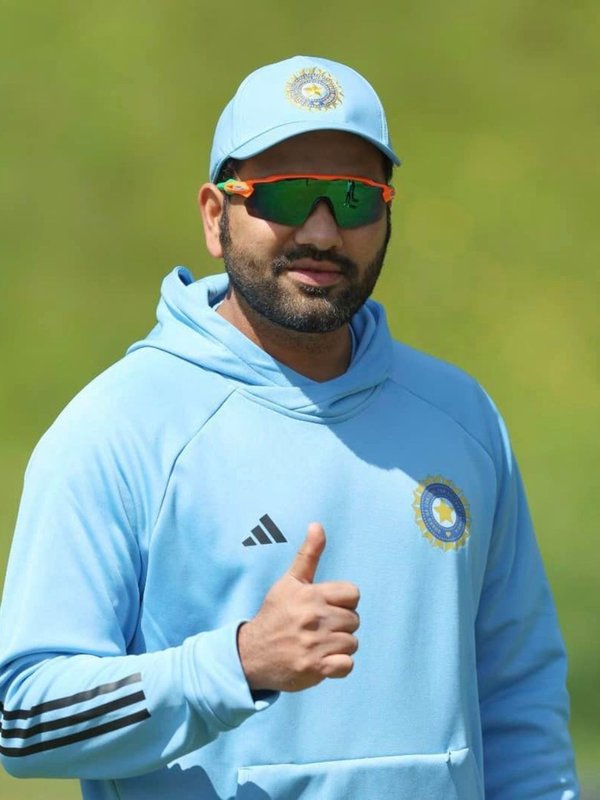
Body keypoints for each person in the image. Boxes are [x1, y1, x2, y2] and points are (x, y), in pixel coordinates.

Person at [0, 55, 579, 799]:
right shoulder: (119, 428)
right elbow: (24, 716)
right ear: (215, 216)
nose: (322, 231)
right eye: (286, 195)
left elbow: (520, 699)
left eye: (354, 198)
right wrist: (237, 665)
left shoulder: (461, 417)